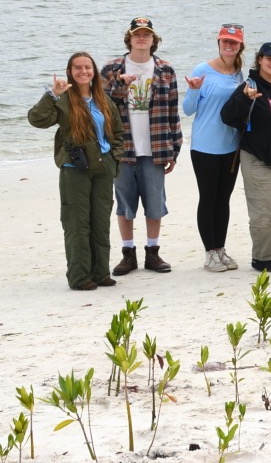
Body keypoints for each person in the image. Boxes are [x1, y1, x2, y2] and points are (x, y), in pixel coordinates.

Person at [28, 53, 124, 290]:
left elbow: (119, 133)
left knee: (100, 223)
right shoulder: (63, 100)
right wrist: (52, 95)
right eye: (77, 68)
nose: (83, 71)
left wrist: (115, 158)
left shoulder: (103, 100)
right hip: (75, 169)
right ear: (70, 71)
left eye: (88, 67)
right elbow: (37, 120)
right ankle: (80, 277)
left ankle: (100, 273)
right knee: (77, 224)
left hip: (103, 169)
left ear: (94, 71)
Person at [101, 16, 180, 277]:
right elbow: (101, 107)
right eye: (137, 34)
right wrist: (119, 84)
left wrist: (174, 148)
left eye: (147, 34)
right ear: (130, 38)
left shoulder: (166, 69)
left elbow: (172, 112)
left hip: (156, 146)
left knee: (155, 203)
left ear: (153, 40)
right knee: (124, 204)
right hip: (122, 148)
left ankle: (153, 252)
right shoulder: (112, 68)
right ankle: (127, 253)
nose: (142, 38)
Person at [220, 42, 271, 272]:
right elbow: (227, 117)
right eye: (269, 58)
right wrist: (245, 99)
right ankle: (261, 258)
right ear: (259, 59)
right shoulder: (250, 86)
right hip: (259, 158)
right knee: (266, 212)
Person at [183, 24, 246, 272]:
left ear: (240, 45)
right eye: (225, 41)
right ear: (218, 42)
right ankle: (209, 253)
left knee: (224, 200)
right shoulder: (203, 70)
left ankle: (220, 248)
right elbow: (187, 110)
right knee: (208, 198)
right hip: (205, 146)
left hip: (231, 146)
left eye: (234, 42)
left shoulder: (238, 72)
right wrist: (193, 89)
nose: (229, 45)